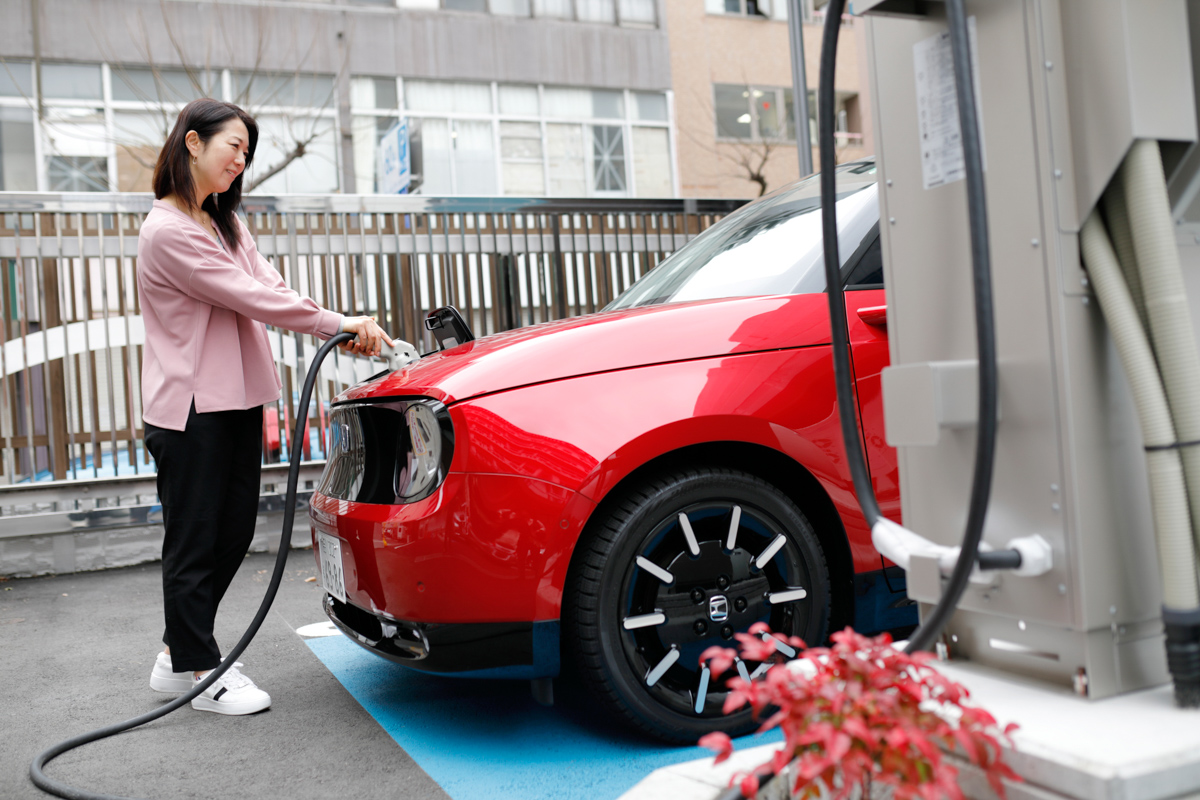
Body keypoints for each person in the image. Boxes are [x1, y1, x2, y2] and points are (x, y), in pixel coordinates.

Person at [137, 98, 391, 715]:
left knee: (234, 533)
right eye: (233, 148)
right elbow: (248, 296)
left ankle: (179, 656)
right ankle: (198, 668)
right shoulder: (166, 230)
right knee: (195, 541)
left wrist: (342, 323)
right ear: (192, 143)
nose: (240, 161)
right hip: (191, 409)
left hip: (239, 401)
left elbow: (270, 284)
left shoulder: (223, 222)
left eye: (247, 154)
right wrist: (337, 322)